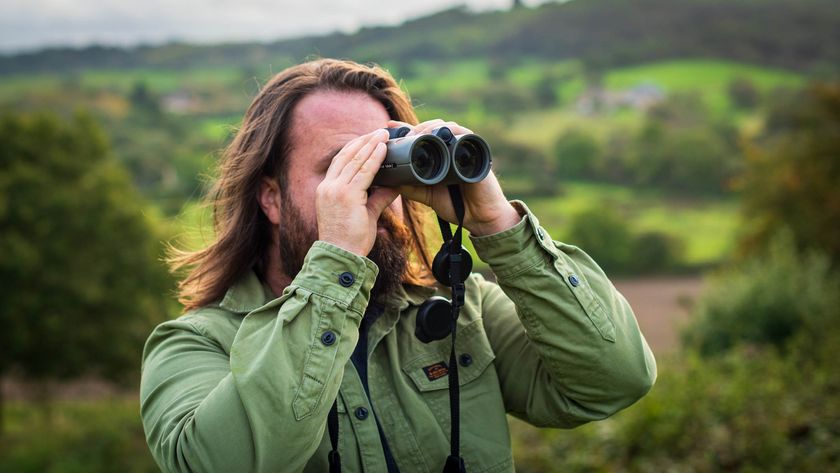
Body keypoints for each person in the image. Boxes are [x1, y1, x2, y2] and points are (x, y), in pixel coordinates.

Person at [140, 58, 656, 473]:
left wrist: (497, 222)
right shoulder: (198, 346)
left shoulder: (461, 310)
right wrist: (337, 263)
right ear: (271, 199)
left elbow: (616, 380)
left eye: (386, 161)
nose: (375, 190)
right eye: (344, 167)